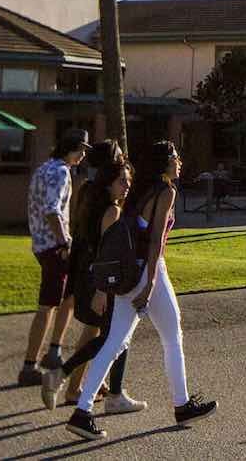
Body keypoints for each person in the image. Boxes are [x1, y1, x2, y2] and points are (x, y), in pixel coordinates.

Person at [66, 141, 216, 440]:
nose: (179, 161)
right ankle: (181, 404)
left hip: (127, 271)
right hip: (149, 271)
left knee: (114, 342)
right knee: (172, 336)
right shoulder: (166, 191)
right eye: (175, 157)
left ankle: (82, 412)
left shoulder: (141, 191)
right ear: (164, 163)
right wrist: (148, 286)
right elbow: (156, 240)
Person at [49, 151, 145, 413]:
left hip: (90, 279)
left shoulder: (96, 204)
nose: (127, 185)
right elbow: (107, 254)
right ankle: (68, 378)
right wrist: (102, 291)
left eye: (128, 180)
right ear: (108, 183)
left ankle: (84, 386)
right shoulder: (112, 211)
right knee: (114, 337)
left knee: (103, 335)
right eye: (122, 181)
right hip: (102, 283)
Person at [21, 130, 88, 389]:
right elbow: (52, 209)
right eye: (79, 149)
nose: (82, 155)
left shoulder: (43, 169)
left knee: (68, 296)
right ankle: (30, 365)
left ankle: (54, 350)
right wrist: (64, 242)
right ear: (68, 147)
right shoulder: (61, 171)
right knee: (48, 304)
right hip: (54, 246)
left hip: (40, 243)